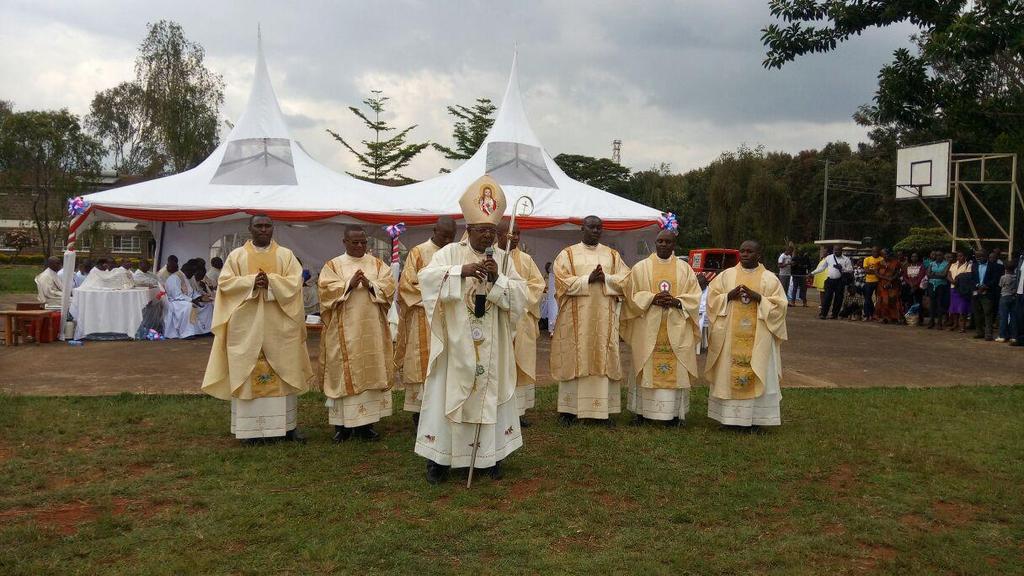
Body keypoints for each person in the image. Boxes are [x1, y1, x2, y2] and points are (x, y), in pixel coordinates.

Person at [414, 175, 528, 484]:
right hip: (456, 342)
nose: (487, 237)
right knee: (448, 394)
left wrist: (498, 281)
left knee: (489, 394)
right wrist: (459, 272)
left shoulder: (503, 260)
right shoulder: (449, 254)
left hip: (493, 342)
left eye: (492, 231)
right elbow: (426, 279)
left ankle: (488, 458)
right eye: (481, 231)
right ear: (469, 229)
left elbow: (521, 297)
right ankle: (440, 459)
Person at [201, 214, 312, 443]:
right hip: (247, 325)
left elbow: (295, 282)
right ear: (249, 229)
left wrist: (270, 282)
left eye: (267, 226)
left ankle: (286, 427)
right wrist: (252, 282)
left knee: (284, 370)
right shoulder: (237, 256)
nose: (263, 230)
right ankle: (250, 430)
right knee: (246, 370)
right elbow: (225, 284)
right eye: (259, 226)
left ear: (273, 228)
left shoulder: (285, 255)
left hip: (279, 324)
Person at [318, 225, 397, 442]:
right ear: (345, 242)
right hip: (344, 330)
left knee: (370, 371)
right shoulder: (333, 265)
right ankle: (342, 427)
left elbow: (389, 287)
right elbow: (324, 290)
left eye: (364, 242)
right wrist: (348, 285)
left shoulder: (377, 264)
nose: (360, 246)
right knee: (344, 372)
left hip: (372, 330)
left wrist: (370, 285)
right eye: (355, 242)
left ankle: (366, 425)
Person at [551, 215, 630, 426]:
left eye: (599, 228)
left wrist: (606, 278)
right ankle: (569, 410)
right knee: (575, 355)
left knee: (601, 356)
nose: (596, 231)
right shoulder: (567, 254)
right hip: (575, 319)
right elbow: (560, 280)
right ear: (582, 228)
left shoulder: (612, 255)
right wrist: (588, 279)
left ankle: (601, 411)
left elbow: (626, 279)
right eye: (591, 227)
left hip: (604, 318)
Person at [621, 227, 701, 426]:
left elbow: (695, 296)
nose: (664, 244)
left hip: (676, 329)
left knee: (676, 369)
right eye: (660, 241)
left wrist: (677, 302)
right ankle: (641, 412)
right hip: (648, 328)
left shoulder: (685, 269)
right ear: (655, 243)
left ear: (674, 245)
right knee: (645, 366)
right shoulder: (641, 268)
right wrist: (651, 298)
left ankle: (674, 415)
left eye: (668, 242)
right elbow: (630, 296)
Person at [705, 240, 788, 429]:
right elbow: (711, 299)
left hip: (759, 338)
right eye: (742, 251)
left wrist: (759, 298)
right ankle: (728, 419)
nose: (745, 254)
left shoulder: (769, 278)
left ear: (759, 255)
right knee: (727, 372)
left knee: (760, 370)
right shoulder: (727, 275)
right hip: (730, 337)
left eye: (750, 252)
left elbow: (780, 307)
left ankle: (755, 420)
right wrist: (728, 296)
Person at [395, 216, 456, 423]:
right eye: (444, 235)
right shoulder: (418, 252)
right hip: (423, 315)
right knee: (423, 360)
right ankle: (419, 412)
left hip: (449, 315)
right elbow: (407, 285)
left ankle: (443, 408)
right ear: (434, 230)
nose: (448, 240)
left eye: (451, 237)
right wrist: (433, 296)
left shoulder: (455, 252)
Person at [497, 219, 546, 427]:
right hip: (498, 320)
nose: (514, 237)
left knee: (519, 363)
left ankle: (518, 411)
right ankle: (498, 409)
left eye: (517, 233)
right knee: (500, 364)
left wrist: (516, 295)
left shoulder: (526, 259)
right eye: (510, 234)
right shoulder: (490, 257)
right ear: (499, 234)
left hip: (522, 320)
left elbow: (538, 285)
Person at [811, 244, 852, 320]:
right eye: (835, 250)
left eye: (838, 250)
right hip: (830, 280)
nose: (837, 252)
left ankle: (834, 314)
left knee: (838, 298)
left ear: (841, 251)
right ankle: (823, 314)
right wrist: (812, 273)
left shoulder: (846, 259)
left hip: (840, 281)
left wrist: (842, 268)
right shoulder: (829, 258)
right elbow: (822, 268)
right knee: (827, 297)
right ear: (833, 250)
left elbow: (850, 270)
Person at [970, 248, 1004, 341]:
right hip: (976, 292)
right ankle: (979, 332)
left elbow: (996, 279)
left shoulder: (994, 266)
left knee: (988, 313)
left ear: (986, 256)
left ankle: (988, 334)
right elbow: (972, 278)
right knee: (977, 313)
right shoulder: (974, 265)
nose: (978, 258)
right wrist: (977, 285)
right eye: (977, 257)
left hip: (988, 292)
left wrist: (986, 286)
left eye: (980, 256)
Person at [875, 249, 904, 325]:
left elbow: (899, 272)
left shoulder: (896, 262)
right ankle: (885, 318)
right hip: (882, 284)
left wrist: (890, 280)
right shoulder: (880, 263)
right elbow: (876, 272)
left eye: (885, 254)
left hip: (893, 284)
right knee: (883, 301)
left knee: (893, 300)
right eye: (883, 254)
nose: (884, 256)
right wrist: (884, 278)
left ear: (889, 254)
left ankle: (896, 318)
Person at [948, 250, 973, 333]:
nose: (959, 257)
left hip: (962, 289)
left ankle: (963, 326)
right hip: (953, 288)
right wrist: (952, 281)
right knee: (954, 308)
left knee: (963, 308)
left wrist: (957, 280)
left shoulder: (968, 265)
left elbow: (967, 276)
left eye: (961, 256)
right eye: (958, 256)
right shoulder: (953, 264)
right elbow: (948, 274)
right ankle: (955, 324)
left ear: (965, 257)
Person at [926, 251, 951, 329]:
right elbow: (928, 275)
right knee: (932, 304)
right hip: (931, 285)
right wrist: (938, 274)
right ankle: (931, 321)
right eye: (936, 255)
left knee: (940, 304)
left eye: (940, 255)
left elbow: (944, 275)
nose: (938, 257)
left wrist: (934, 274)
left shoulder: (947, 264)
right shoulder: (931, 263)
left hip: (941, 286)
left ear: (943, 256)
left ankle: (939, 322)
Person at [902, 252, 928, 326]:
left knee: (918, 303)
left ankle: (919, 319)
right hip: (909, 287)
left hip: (918, 287)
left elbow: (921, 276)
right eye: (912, 256)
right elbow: (904, 276)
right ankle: (909, 318)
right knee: (908, 303)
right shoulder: (907, 266)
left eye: (916, 256)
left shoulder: (921, 266)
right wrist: (910, 284)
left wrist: (915, 285)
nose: (914, 258)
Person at [996, 258, 1017, 342]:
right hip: (1014, 297)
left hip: (1004, 297)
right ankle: (1013, 336)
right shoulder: (1016, 277)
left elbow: (1000, 285)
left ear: (1005, 268)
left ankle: (1002, 335)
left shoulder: (1003, 277)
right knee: (1013, 317)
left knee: (1003, 317)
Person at [861, 246, 883, 321]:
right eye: (874, 251)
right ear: (871, 252)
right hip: (869, 281)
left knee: (879, 299)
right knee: (867, 299)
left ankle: (877, 315)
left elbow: (882, 272)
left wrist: (873, 271)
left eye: (877, 251)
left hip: (879, 282)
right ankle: (867, 315)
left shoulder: (882, 259)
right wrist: (877, 271)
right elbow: (866, 271)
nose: (875, 253)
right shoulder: (867, 259)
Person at [541, 261, 558, 336]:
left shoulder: (555, 276)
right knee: (550, 311)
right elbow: (544, 286)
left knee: (554, 311)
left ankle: (552, 328)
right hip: (548, 295)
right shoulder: (546, 276)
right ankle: (550, 327)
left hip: (553, 295)